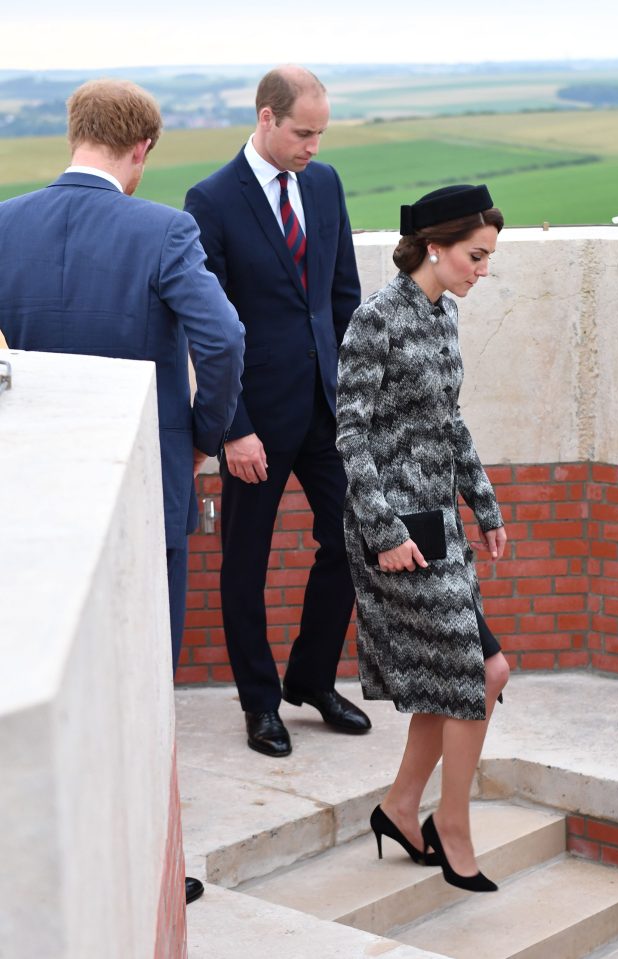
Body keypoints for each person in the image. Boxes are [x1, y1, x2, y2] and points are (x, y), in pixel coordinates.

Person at [0, 79, 245, 906]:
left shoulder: (5, 221)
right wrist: (206, 433)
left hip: (34, 487)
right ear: (142, 149)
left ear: (75, 134)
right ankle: (148, 866)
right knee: (144, 676)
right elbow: (223, 335)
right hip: (147, 480)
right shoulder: (164, 228)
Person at [185, 65, 371, 758]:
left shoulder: (323, 184)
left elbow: (341, 296)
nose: (312, 147)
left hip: (326, 409)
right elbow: (208, 329)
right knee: (245, 566)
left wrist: (355, 396)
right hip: (253, 420)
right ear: (265, 118)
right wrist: (231, 426)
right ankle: (259, 704)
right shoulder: (210, 200)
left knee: (352, 540)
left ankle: (312, 680)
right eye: (301, 132)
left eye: (320, 133)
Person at [336, 184, 510, 893]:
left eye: (488, 256)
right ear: (434, 247)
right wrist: (381, 530)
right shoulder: (375, 318)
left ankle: (401, 806)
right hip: (393, 533)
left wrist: (485, 504)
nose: (482, 268)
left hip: (440, 524)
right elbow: (348, 433)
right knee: (478, 674)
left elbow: (449, 420)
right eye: (476, 254)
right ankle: (452, 825)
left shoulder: (445, 316)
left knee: (458, 678)